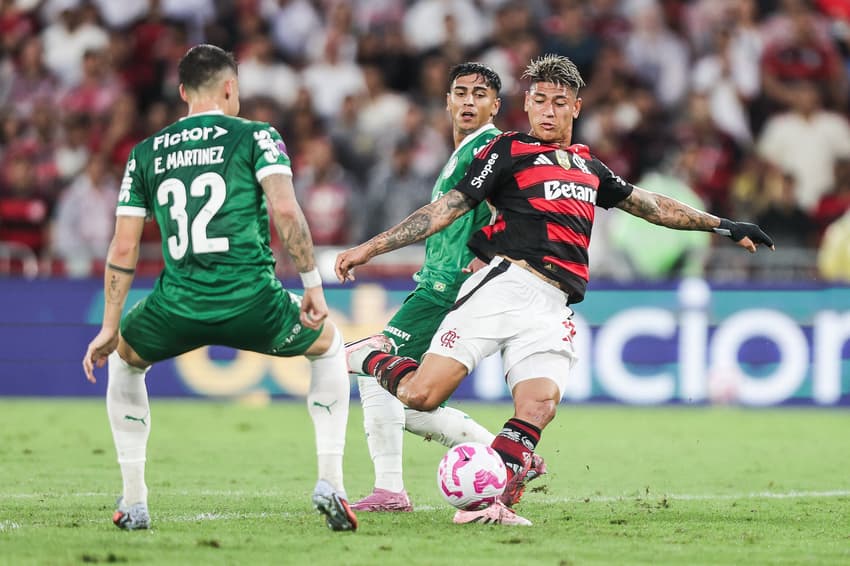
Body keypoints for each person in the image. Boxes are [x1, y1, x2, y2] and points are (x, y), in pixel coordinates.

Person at [336, 54, 775, 526]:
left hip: (552, 305)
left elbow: (650, 205)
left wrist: (723, 225)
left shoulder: (588, 165)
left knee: (539, 407)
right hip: (503, 286)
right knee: (421, 396)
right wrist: (371, 248)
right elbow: (445, 209)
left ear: (576, 108)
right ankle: (369, 355)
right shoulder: (505, 152)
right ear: (526, 104)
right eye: (540, 100)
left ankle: (490, 504)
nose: (548, 110)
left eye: (559, 102)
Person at [82, 44, 357, 533]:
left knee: (124, 359)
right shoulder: (256, 136)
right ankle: (331, 483)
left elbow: (123, 249)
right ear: (230, 88)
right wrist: (312, 283)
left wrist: (109, 326)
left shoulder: (145, 153)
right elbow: (287, 212)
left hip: (176, 306)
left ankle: (133, 500)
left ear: (184, 91)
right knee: (330, 346)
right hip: (253, 300)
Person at [350, 62, 545, 514]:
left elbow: (518, 206)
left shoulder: (492, 149)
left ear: (496, 105)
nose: (468, 101)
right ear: (448, 101)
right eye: (460, 93)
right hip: (439, 286)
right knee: (412, 400)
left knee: (371, 366)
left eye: (480, 94)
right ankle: (512, 460)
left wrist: (491, 254)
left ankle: (390, 491)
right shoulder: (462, 152)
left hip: (448, 289)